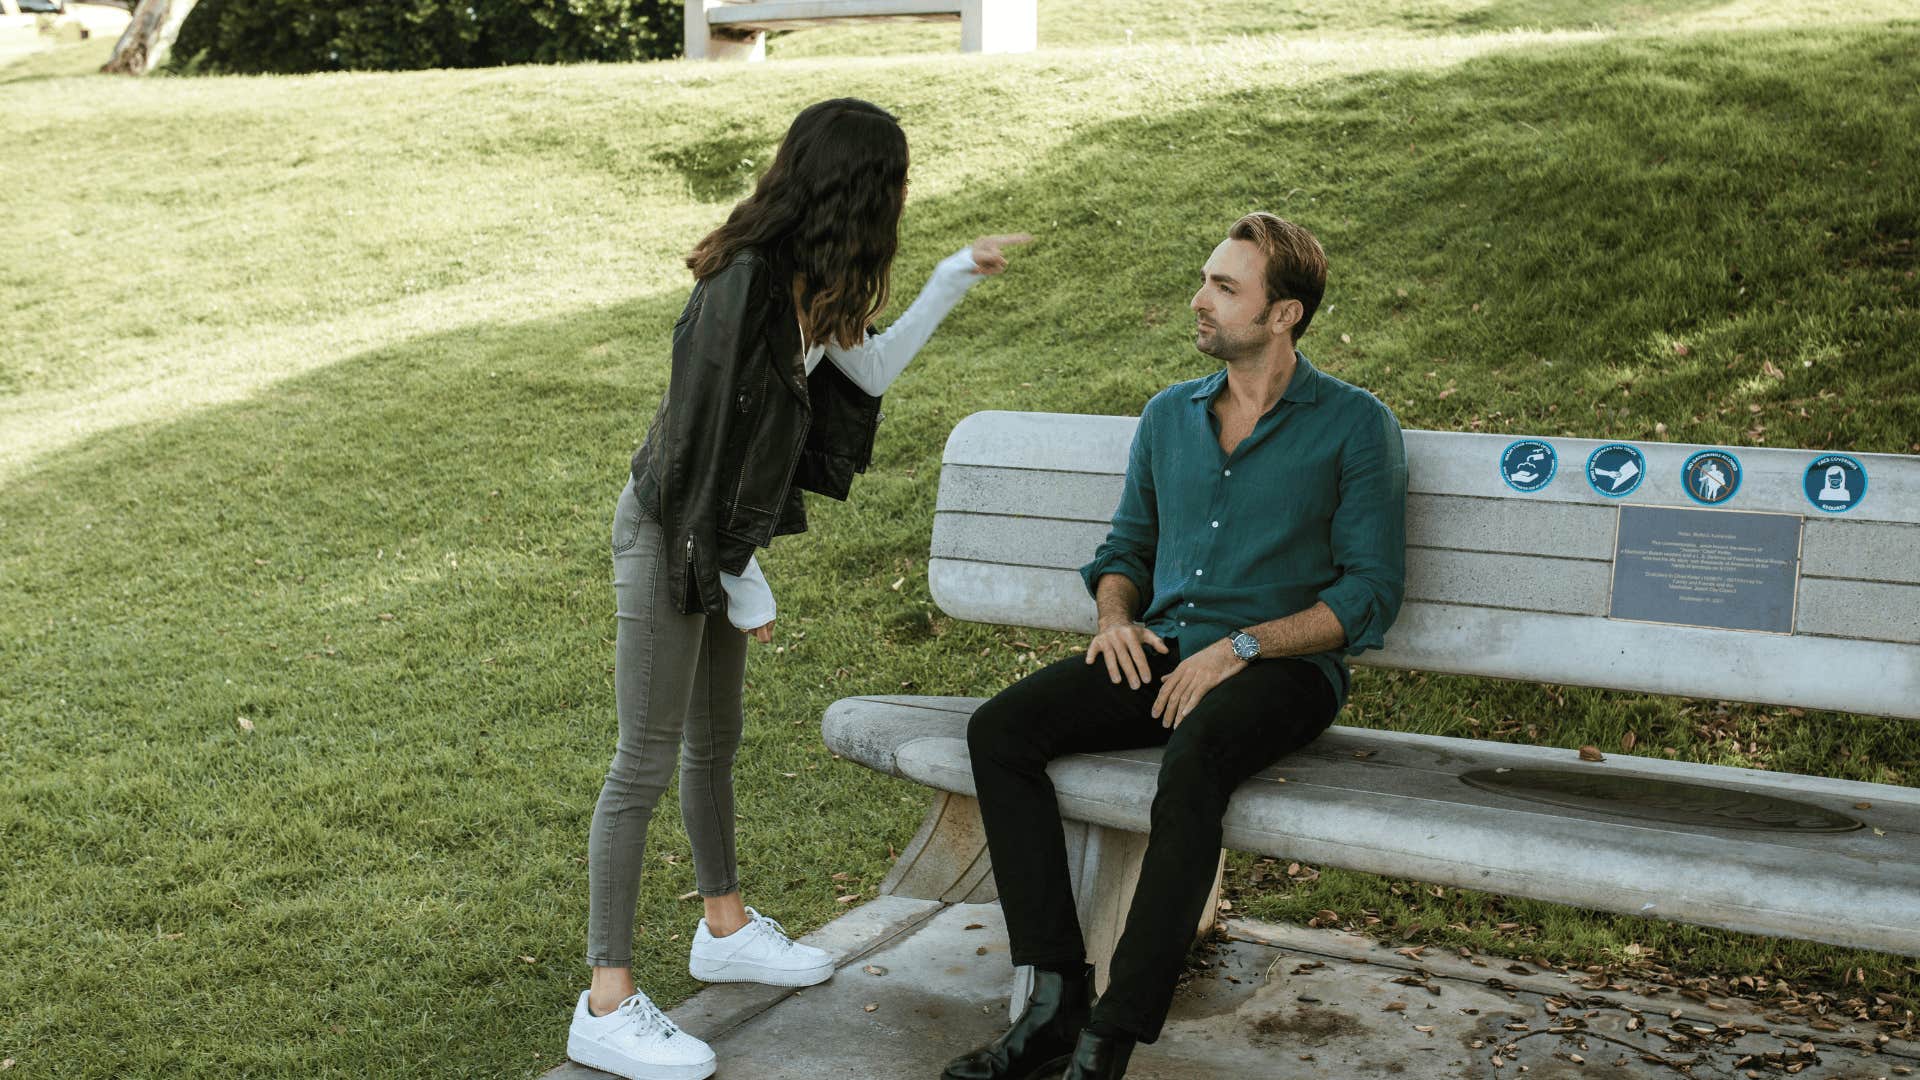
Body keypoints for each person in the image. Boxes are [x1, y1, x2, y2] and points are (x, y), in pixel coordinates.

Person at [568, 97, 1030, 1080]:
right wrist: (733, 576)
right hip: (669, 535)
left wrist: (953, 275)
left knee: (715, 743)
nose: (902, 205)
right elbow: (697, 450)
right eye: (896, 188)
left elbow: (868, 372)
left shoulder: (812, 288)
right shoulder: (743, 286)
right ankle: (605, 1002)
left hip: (720, 544)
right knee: (642, 762)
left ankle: (723, 927)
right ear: (860, 191)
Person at [945, 213, 1406, 1080]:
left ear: (1284, 315)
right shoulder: (1168, 416)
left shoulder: (1353, 425)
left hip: (1284, 670)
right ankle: (1052, 999)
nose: (1199, 300)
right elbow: (1125, 552)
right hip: (1164, 652)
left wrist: (1243, 646)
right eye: (1205, 279)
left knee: (1192, 761)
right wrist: (1115, 619)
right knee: (1001, 732)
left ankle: (1108, 1039)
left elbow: (1370, 593)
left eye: (1225, 288)